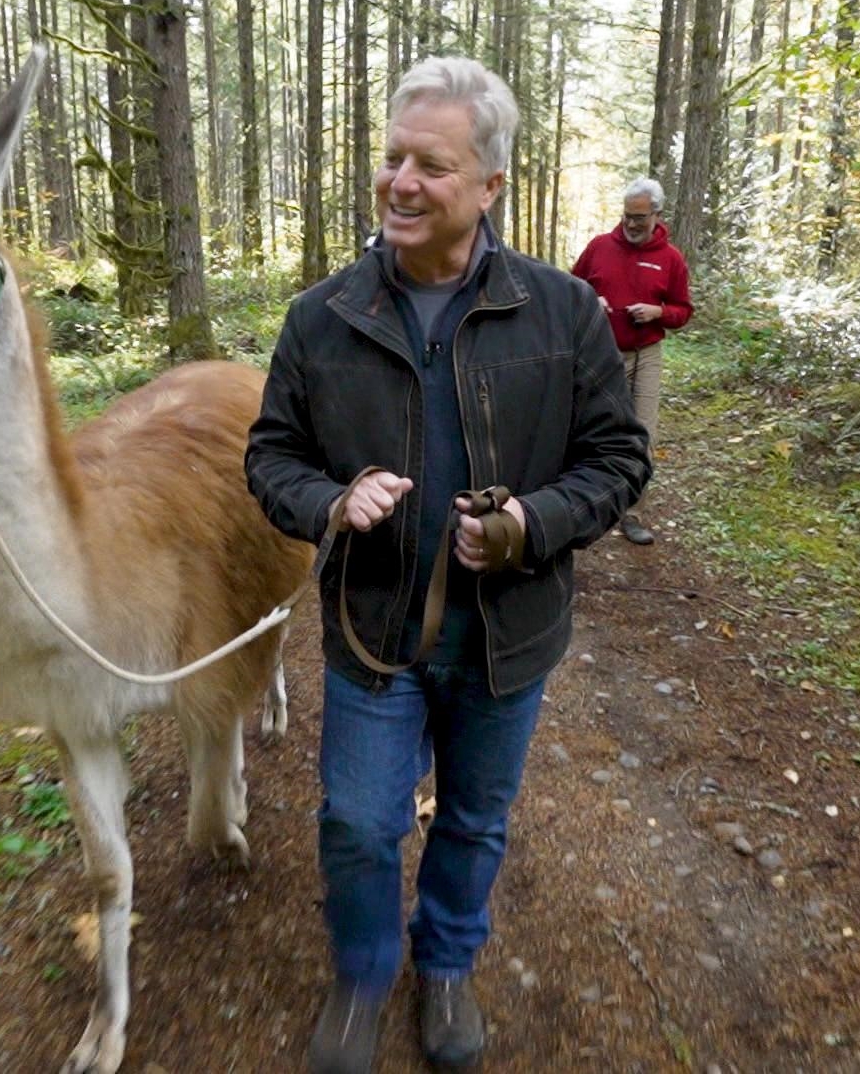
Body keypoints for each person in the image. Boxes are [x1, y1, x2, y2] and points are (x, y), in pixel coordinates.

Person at [245, 56, 651, 1073]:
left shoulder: (562, 314)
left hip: (508, 638)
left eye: (431, 163)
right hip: (372, 633)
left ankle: (448, 965)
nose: (401, 182)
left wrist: (532, 523)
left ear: (490, 187)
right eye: (393, 159)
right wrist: (331, 503)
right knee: (358, 823)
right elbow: (270, 457)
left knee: (473, 820)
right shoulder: (321, 316)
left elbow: (618, 459)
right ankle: (364, 973)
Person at [571, 176, 693, 546]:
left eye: (639, 217)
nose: (631, 224)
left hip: (646, 354)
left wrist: (658, 311)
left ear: (656, 214)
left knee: (642, 433)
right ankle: (582, 502)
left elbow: (683, 311)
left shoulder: (670, 259)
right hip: (600, 352)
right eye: (627, 216)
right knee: (589, 426)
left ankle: (633, 512)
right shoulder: (600, 247)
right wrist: (593, 299)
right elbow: (571, 290)